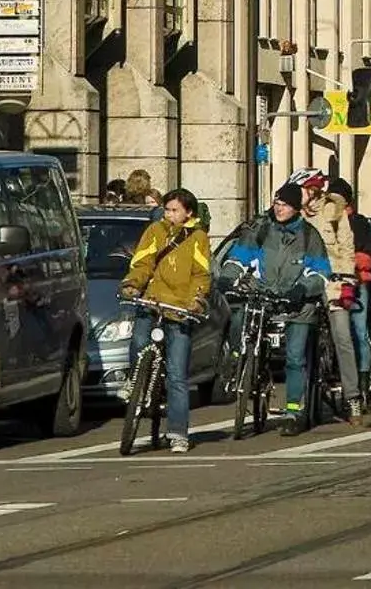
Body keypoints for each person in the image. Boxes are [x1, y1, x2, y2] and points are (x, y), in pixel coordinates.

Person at [219, 182, 332, 434]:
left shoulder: (309, 236)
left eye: (285, 205)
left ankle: (293, 411)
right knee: (239, 317)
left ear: (296, 208)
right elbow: (239, 257)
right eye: (277, 203)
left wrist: (303, 288)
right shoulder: (260, 229)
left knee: (294, 358)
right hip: (264, 295)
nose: (279, 208)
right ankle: (241, 361)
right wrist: (228, 276)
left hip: (298, 305)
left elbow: (322, 272)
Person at [118, 187, 211, 454]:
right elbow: (142, 262)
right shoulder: (155, 231)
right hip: (153, 299)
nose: (168, 214)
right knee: (138, 338)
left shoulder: (198, 238)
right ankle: (135, 382)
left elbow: (201, 274)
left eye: (174, 210)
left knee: (177, 374)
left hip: (179, 308)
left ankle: (179, 433)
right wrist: (133, 285)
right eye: (166, 209)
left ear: (188, 213)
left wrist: (195, 300)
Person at [312, 180, 371, 419]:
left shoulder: (344, 217)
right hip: (309, 285)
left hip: (341, 284)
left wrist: (346, 277)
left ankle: (355, 394)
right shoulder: (300, 215)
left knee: (350, 335)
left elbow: (350, 250)